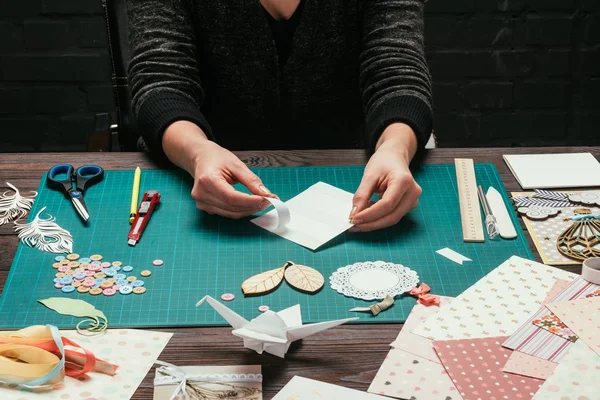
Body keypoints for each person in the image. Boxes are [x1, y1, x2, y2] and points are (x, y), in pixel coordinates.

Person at [126, 0, 433, 233]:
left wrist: (395, 148)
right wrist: (196, 152)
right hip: (201, 176)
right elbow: (160, 80)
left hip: (357, 170)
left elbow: (397, 71)